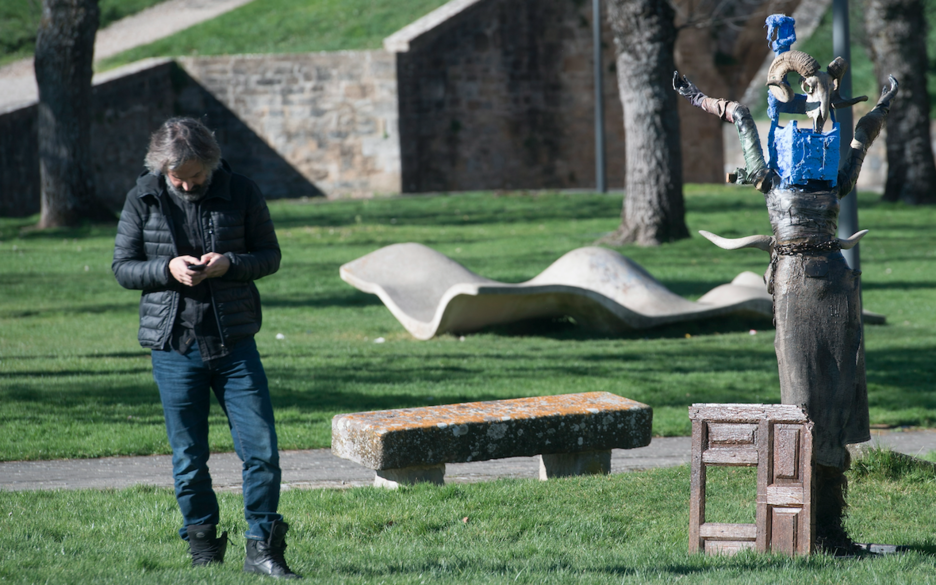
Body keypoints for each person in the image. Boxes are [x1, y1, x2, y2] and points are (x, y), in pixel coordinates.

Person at [674, 15, 897, 554]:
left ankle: (831, 529)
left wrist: (885, 103)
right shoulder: (770, 173)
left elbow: (862, 134)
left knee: (838, 403)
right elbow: (742, 114)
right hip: (795, 281)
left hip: (836, 284)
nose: (812, 107)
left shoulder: (835, 176)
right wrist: (700, 99)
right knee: (801, 402)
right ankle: (803, 527)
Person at [112, 117, 299, 578]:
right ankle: (202, 545)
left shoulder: (242, 191)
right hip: (174, 346)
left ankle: (262, 549)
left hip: (234, 343)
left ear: (212, 164)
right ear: (162, 168)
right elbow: (123, 267)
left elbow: (270, 256)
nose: (188, 184)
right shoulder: (143, 197)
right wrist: (167, 268)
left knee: (262, 451)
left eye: (196, 176)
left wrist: (229, 264)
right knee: (189, 456)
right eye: (179, 177)